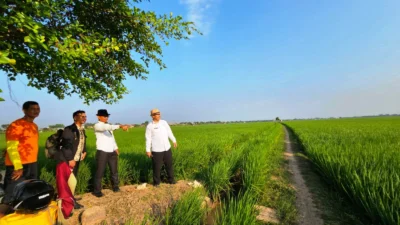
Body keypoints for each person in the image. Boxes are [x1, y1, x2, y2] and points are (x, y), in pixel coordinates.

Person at [2, 101, 40, 204]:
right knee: (12, 192)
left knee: (29, 190)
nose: (36, 111)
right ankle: (4, 215)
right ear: (24, 110)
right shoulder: (16, 126)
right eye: (33, 109)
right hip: (18, 165)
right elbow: (11, 147)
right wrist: (18, 167)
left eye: (37, 109)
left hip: (32, 163)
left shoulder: (34, 126)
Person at [92, 109, 129, 197]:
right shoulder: (97, 126)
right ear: (98, 117)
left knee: (114, 170)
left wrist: (116, 148)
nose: (106, 118)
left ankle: (115, 187)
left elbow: (112, 138)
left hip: (112, 151)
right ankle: (97, 191)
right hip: (102, 152)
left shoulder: (108, 126)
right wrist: (120, 126)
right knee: (100, 172)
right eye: (104, 116)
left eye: (107, 116)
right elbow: (106, 127)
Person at [56, 110, 87, 212]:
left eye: (85, 116)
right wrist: (70, 159)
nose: (84, 118)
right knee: (70, 182)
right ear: (75, 118)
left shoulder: (82, 129)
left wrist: (84, 151)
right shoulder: (69, 129)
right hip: (67, 160)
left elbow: (82, 142)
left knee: (72, 180)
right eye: (81, 116)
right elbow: (65, 146)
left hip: (77, 159)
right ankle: (69, 203)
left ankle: (71, 197)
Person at [145, 108, 177, 187]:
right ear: (152, 116)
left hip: (167, 148)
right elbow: (148, 138)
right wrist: (148, 150)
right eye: (156, 114)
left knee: (169, 165)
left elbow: (169, 132)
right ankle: (156, 183)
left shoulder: (164, 123)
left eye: (159, 113)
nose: (158, 115)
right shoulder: (150, 126)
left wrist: (174, 140)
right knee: (157, 167)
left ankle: (171, 180)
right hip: (157, 150)